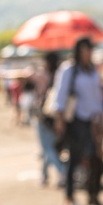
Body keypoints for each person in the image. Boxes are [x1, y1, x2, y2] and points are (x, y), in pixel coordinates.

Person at [53, 36, 103, 205]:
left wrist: (101, 118)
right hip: (76, 121)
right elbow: (60, 96)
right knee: (74, 159)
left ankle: (93, 195)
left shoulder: (92, 71)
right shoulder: (69, 70)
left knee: (96, 158)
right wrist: (59, 119)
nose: (87, 53)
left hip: (92, 120)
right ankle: (70, 198)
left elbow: (97, 97)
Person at [33, 52, 66, 188]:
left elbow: (25, 77)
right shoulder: (61, 75)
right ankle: (44, 175)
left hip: (44, 115)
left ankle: (62, 171)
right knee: (49, 146)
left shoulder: (43, 75)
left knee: (47, 148)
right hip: (57, 116)